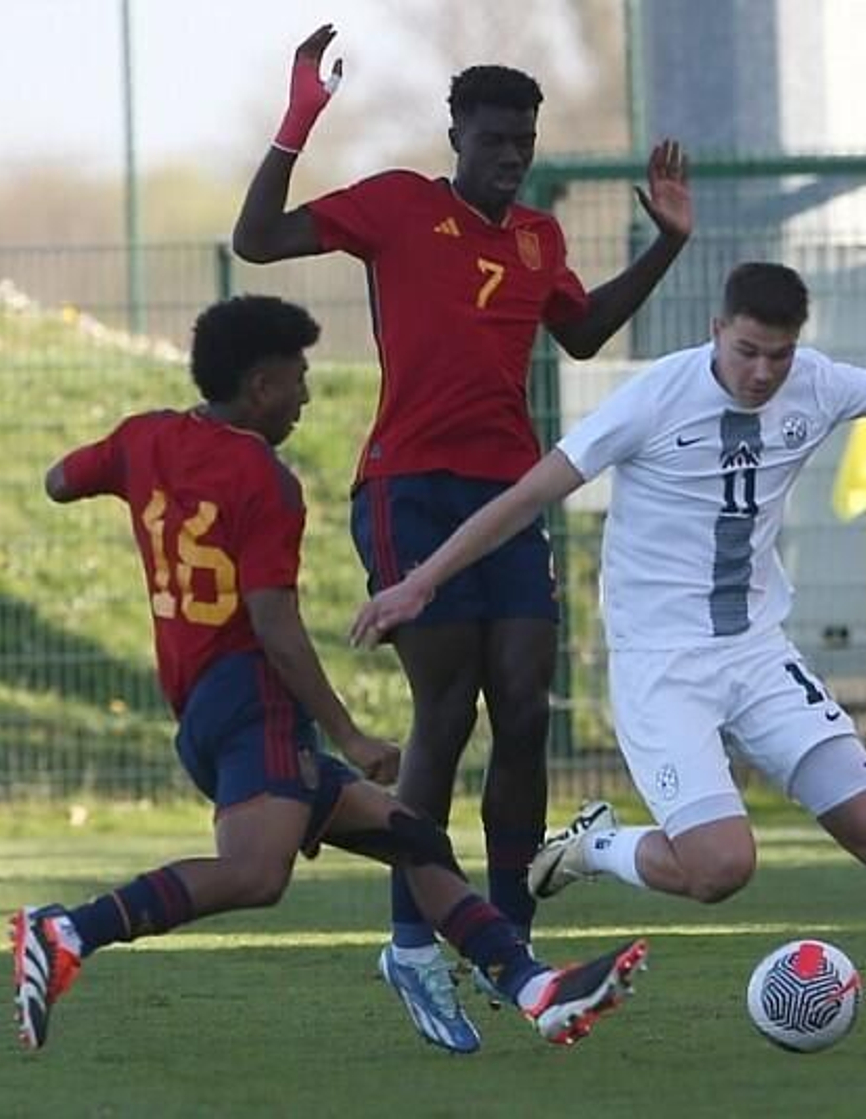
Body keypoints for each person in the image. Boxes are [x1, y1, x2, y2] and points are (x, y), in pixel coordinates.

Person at [351, 262, 866, 1052]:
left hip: (756, 653)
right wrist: (419, 584)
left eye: (779, 354)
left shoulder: (817, 382)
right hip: (661, 665)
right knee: (720, 869)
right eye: (747, 351)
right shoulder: (654, 399)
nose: (763, 372)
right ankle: (593, 847)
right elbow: (526, 496)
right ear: (718, 332)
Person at [9, 295, 647, 1054]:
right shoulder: (264, 478)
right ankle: (69, 928)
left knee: (414, 837)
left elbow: (56, 479)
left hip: (202, 710)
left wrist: (146, 457)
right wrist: (349, 730)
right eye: (297, 378)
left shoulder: (145, 437)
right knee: (255, 874)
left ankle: (533, 987)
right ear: (259, 388)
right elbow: (274, 623)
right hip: (255, 705)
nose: (307, 394)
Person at [231, 24, 693, 1053]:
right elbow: (256, 241)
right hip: (409, 491)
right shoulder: (398, 207)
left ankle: (510, 948)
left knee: (524, 704)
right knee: (447, 706)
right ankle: (410, 941)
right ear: (457, 135)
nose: (509, 157)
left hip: (511, 497)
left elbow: (580, 333)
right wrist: (300, 119)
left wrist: (664, 243)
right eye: (492, 140)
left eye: (521, 142)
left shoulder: (538, 238)